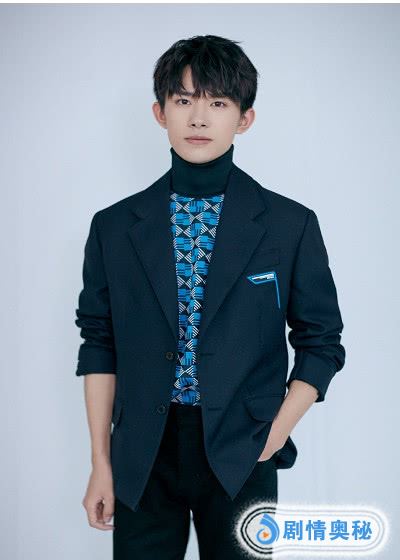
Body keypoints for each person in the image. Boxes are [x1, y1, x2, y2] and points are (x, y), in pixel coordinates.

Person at [75, 35, 346, 559]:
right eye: (183, 100)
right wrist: (101, 463)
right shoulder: (113, 227)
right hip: (143, 454)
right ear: (160, 113)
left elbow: (322, 341)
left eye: (218, 103)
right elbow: (99, 343)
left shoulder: (289, 225)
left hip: (243, 448)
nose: (199, 118)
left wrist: (275, 433)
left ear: (244, 118)